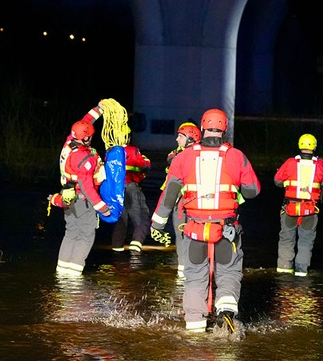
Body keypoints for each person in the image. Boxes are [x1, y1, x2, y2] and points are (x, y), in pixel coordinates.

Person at [150, 109, 260, 333]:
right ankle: (226, 309)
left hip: (195, 229)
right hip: (226, 228)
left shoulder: (183, 157)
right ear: (224, 129)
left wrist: (157, 223)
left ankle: (194, 326)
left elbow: (170, 194)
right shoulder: (236, 156)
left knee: (195, 277)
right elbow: (253, 191)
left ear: (202, 128)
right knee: (228, 272)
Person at [48, 102, 111, 276]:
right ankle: (74, 276)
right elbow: (87, 185)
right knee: (85, 235)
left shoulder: (69, 142)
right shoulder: (85, 158)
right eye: (89, 136)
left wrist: (99, 109)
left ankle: (61, 273)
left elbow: (85, 121)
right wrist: (102, 207)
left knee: (71, 233)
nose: (91, 138)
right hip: (83, 201)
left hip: (68, 197)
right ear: (86, 138)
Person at [273, 133, 323, 277]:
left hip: (290, 208)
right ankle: (301, 272)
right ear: (314, 146)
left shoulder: (290, 162)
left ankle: (284, 272)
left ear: (300, 145)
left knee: (286, 239)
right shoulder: (320, 164)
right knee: (306, 241)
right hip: (310, 210)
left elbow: (277, 181)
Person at [160, 122, 202, 277]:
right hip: (179, 201)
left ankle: (194, 268)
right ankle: (183, 268)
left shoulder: (200, 154)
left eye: (180, 136)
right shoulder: (177, 154)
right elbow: (171, 159)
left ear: (190, 138)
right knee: (180, 233)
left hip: (195, 202)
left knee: (196, 234)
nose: (177, 139)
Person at [111, 143, 152, 252]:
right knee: (141, 217)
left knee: (121, 220)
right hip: (131, 186)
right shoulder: (132, 150)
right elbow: (145, 165)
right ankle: (136, 244)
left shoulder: (111, 151)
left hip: (116, 190)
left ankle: (116, 249)